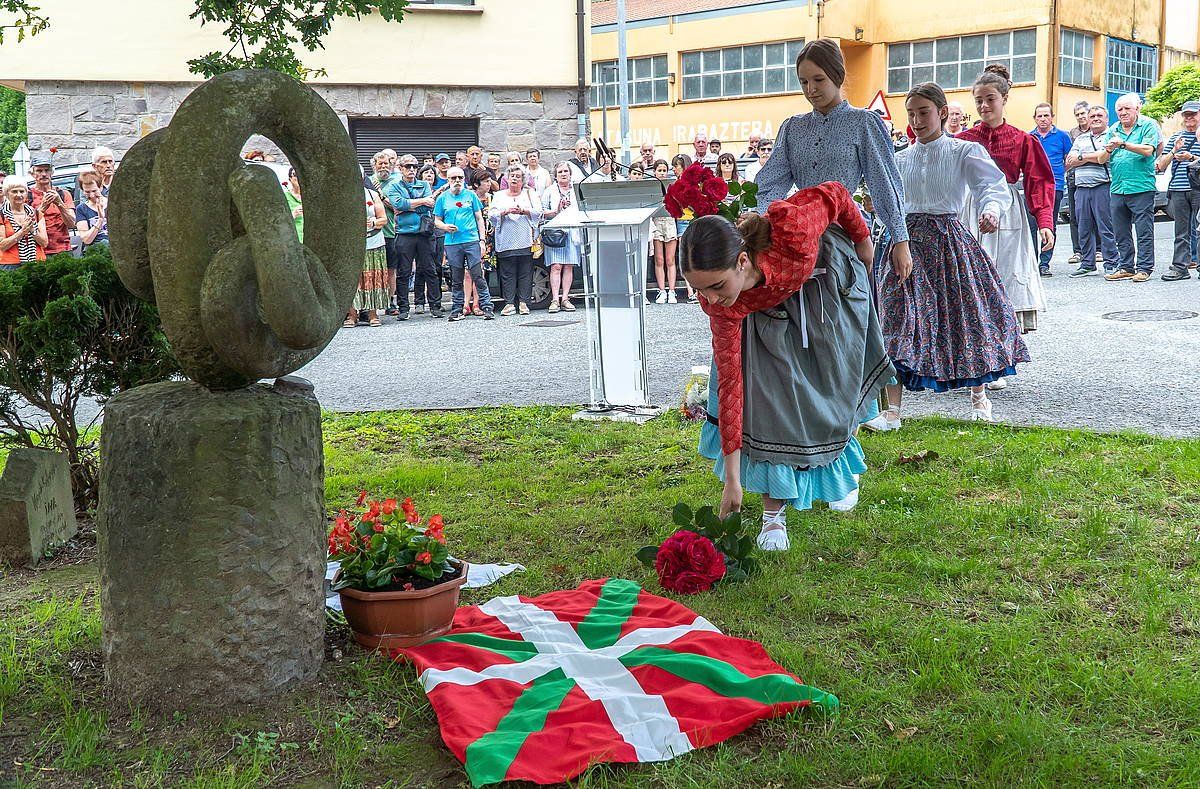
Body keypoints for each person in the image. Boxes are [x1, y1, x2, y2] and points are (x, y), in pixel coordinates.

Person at [680, 182, 893, 550]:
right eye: (700, 291)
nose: (710, 299)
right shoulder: (722, 304)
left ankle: (840, 470)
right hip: (768, 317)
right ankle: (772, 513)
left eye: (715, 285)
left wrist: (862, 238)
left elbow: (836, 195)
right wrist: (733, 479)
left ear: (742, 261)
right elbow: (731, 386)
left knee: (837, 379)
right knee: (766, 399)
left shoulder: (791, 226)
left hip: (828, 289)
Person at [876, 82, 1030, 427]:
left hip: (948, 241)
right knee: (897, 318)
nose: (916, 120)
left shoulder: (963, 151)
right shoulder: (898, 158)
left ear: (942, 113)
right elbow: (887, 201)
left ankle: (980, 398)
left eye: (923, 112)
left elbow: (992, 185)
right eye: (911, 114)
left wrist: (991, 210)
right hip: (903, 243)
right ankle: (892, 411)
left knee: (965, 317)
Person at [755, 38, 914, 287]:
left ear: (837, 76)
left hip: (847, 236)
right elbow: (769, 184)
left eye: (819, 80)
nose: (810, 89)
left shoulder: (864, 123)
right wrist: (758, 219)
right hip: (798, 238)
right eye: (803, 82)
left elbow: (884, 184)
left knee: (844, 314)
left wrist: (900, 240)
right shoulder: (792, 128)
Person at [956, 64, 1053, 335]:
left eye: (990, 99)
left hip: (1009, 213)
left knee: (1007, 276)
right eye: (978, 100)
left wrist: (1045, 221)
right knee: (970, 278)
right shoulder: (962, 140)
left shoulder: (1023, 140)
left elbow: (1040, 181)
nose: (984, 106)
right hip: (970, 211)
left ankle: (1004, 349)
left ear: (1004, 99)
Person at [1099, 93, 1160, 283]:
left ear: (1137, 108)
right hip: (1118, 187)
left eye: (1127, 108)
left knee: (1143, 230)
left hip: (1141, 186)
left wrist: (1123, 144)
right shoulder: (1113, 129)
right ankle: (1125, 266)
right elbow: (1102, 159)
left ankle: (1144, 268)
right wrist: (1109, 149)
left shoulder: (1148, 125)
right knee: (1120, 231)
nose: (1123, 112)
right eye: (1120, 109)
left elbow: (1148, 150)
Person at [1065, 105, 1120, 277]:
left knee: (1106, 226)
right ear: (1088, 119)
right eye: (1093, 116)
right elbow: (1069, 161)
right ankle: (1087, 263)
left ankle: (1111, 262)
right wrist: (1093, 157)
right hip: (1081, 188)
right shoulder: (1080, 138)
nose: (1095, 118)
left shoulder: (1113, 136)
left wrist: (1083, 157)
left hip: (1102, 186)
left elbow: (1104, 157)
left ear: (1106, 119)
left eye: (1099, 116)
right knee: (1083, 227)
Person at [384, 154, 440, 319]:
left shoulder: (424, 184)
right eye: (407, 166)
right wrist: (420, 202)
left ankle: (435, 306)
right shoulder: (394, 186)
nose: (411, 170)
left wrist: (408, 205)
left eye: (414, 167)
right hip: (405, 234)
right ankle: (403, 309)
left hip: (424, 233)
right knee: (404, 272)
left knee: (430, 270)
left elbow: (428, 206)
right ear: (400, 168)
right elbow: (398, 204)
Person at [435, 166, 494, 321]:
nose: (457, 181)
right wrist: (444, 227)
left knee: (477, 274)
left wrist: (482, 240)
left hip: (471, 240)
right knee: (457, 277)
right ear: (448, 180)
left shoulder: (471, 195)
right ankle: (457, 309)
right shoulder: (442, 198)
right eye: (453, 178)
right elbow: (436, 220)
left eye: (460, 178)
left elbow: (479, 218)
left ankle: (487, 306)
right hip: (452, 243)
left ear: (464, 179)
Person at [488, 165, 542, 315]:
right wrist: (505, 212)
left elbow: (539, 212)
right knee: (507, 273)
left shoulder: (530, 194)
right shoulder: (499, 195)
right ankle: (509, 303)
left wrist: (523, 211)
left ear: (523, 180)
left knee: (525, 272)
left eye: (518, 176)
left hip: (525, 238)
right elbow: (491, 215)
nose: (515, 179)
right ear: (507, 178)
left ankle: (524, 302)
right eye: (512, 176)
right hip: (505, 240)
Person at [1156, 100, 1200, 281]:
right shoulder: (1176, 138)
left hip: (1198, 188)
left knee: (1199, 229)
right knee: (1181, 231)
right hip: (1178, 188)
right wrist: (1174, 152)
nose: (1189, 117)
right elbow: (1160, 166)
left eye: (1193, 114)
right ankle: (1180, 267)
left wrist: (1192, 157)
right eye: (1186, 114)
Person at [1029, 103, 1073, 276]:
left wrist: (1059, 174)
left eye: (1046, 115)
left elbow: (1069, 160)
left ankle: (1044, 263)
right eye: (1039, 116)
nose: (1043, 119)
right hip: (1033, 187)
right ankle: (1032, 261)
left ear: (1052, 117)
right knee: (1032, 225)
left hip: (1055, 187)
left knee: (1049, 224)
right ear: (1035, 118)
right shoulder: (1029, 137)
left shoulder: (1062, 136)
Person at [540, 162, 582, 314]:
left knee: (568, 265)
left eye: (566, 171)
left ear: (570, 174)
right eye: (560, 172)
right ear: (555, 176)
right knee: (556, 266)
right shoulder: (549, 191)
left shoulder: (577, 190)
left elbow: (583, 209)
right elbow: (542, 212)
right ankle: (555, 299)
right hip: (555, 231)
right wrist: (556, 209)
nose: (563, 174)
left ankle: (565, 298)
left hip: (572, 231)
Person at [346, 186, 390, 327]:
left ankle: (373, 314)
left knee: (373, 278)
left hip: (374, 242)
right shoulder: (343, 193)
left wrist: (374, 222)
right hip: (351, 244)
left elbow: (384, 219)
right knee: (352, 279)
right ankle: (352, 315)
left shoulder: (372, 194)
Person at [368, 152, 401, 315]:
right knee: (371, 270)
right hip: (372, 234)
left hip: (391, 232)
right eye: (380, 164)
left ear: (392, 164)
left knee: (390, 269)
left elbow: (398, 207)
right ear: (374, 165)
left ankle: (389, 302)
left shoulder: (397, 181)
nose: (383, 167)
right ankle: (370, 304)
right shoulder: (368, 181)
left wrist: (381, 195)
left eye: (386, 164)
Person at [28, 154, 75, 256]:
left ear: (52, 172)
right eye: (39, 171)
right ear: (32, 174)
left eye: (47, 170)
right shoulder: (27, 195)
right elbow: (25, 225)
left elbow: (72, 224)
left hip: (64, 249)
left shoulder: (63, 194)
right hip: (38, 250)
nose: (44, 174)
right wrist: (42, 207)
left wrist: (60, 204)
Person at [1065, 100, 1092, 266]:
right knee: (1074, 216)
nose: (1081, 117)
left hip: (1093, 178)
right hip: (1074, 179)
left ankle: (1097, 249)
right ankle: (1078, 251)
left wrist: (1080, 159)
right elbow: (1069, 158)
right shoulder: (1072, 133)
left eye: (1083, 113)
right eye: (1078, 114)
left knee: (1094, 216)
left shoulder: (1097, 130)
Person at [1, 175, 48, 267]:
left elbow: (44, 243)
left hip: (37, 263)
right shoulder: (1, 215)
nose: (19, 195)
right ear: (7, 194)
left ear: (26, 193)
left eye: (22, 191)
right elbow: (2, 245)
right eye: (14, 191)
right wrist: (22, 232)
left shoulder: (36, 214)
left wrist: (32, 230)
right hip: (10, 265)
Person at [650, 159, 680, 304]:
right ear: (654, 171)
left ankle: (672, 291)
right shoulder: (650, 185)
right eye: (659, 170)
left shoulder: (672, 185)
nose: (662, 173)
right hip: (656, 221)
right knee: (659, 259)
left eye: (664, 170)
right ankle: (662, 290)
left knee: (670, 259)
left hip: (669, 221)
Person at [74, 172, 108, 252]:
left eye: (94, 191)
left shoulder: (113, 204)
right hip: (94, 252)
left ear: (100, 187)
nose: (92, 195)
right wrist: (100, 220)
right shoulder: (81, 209)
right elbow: (86, 239)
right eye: (87, 192)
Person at [285, 167, 304, 241]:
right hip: (294, 239)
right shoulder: (285, 197)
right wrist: (294, 214)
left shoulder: (312, 197)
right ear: (290, 179)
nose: (298, 177)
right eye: (295, 174)